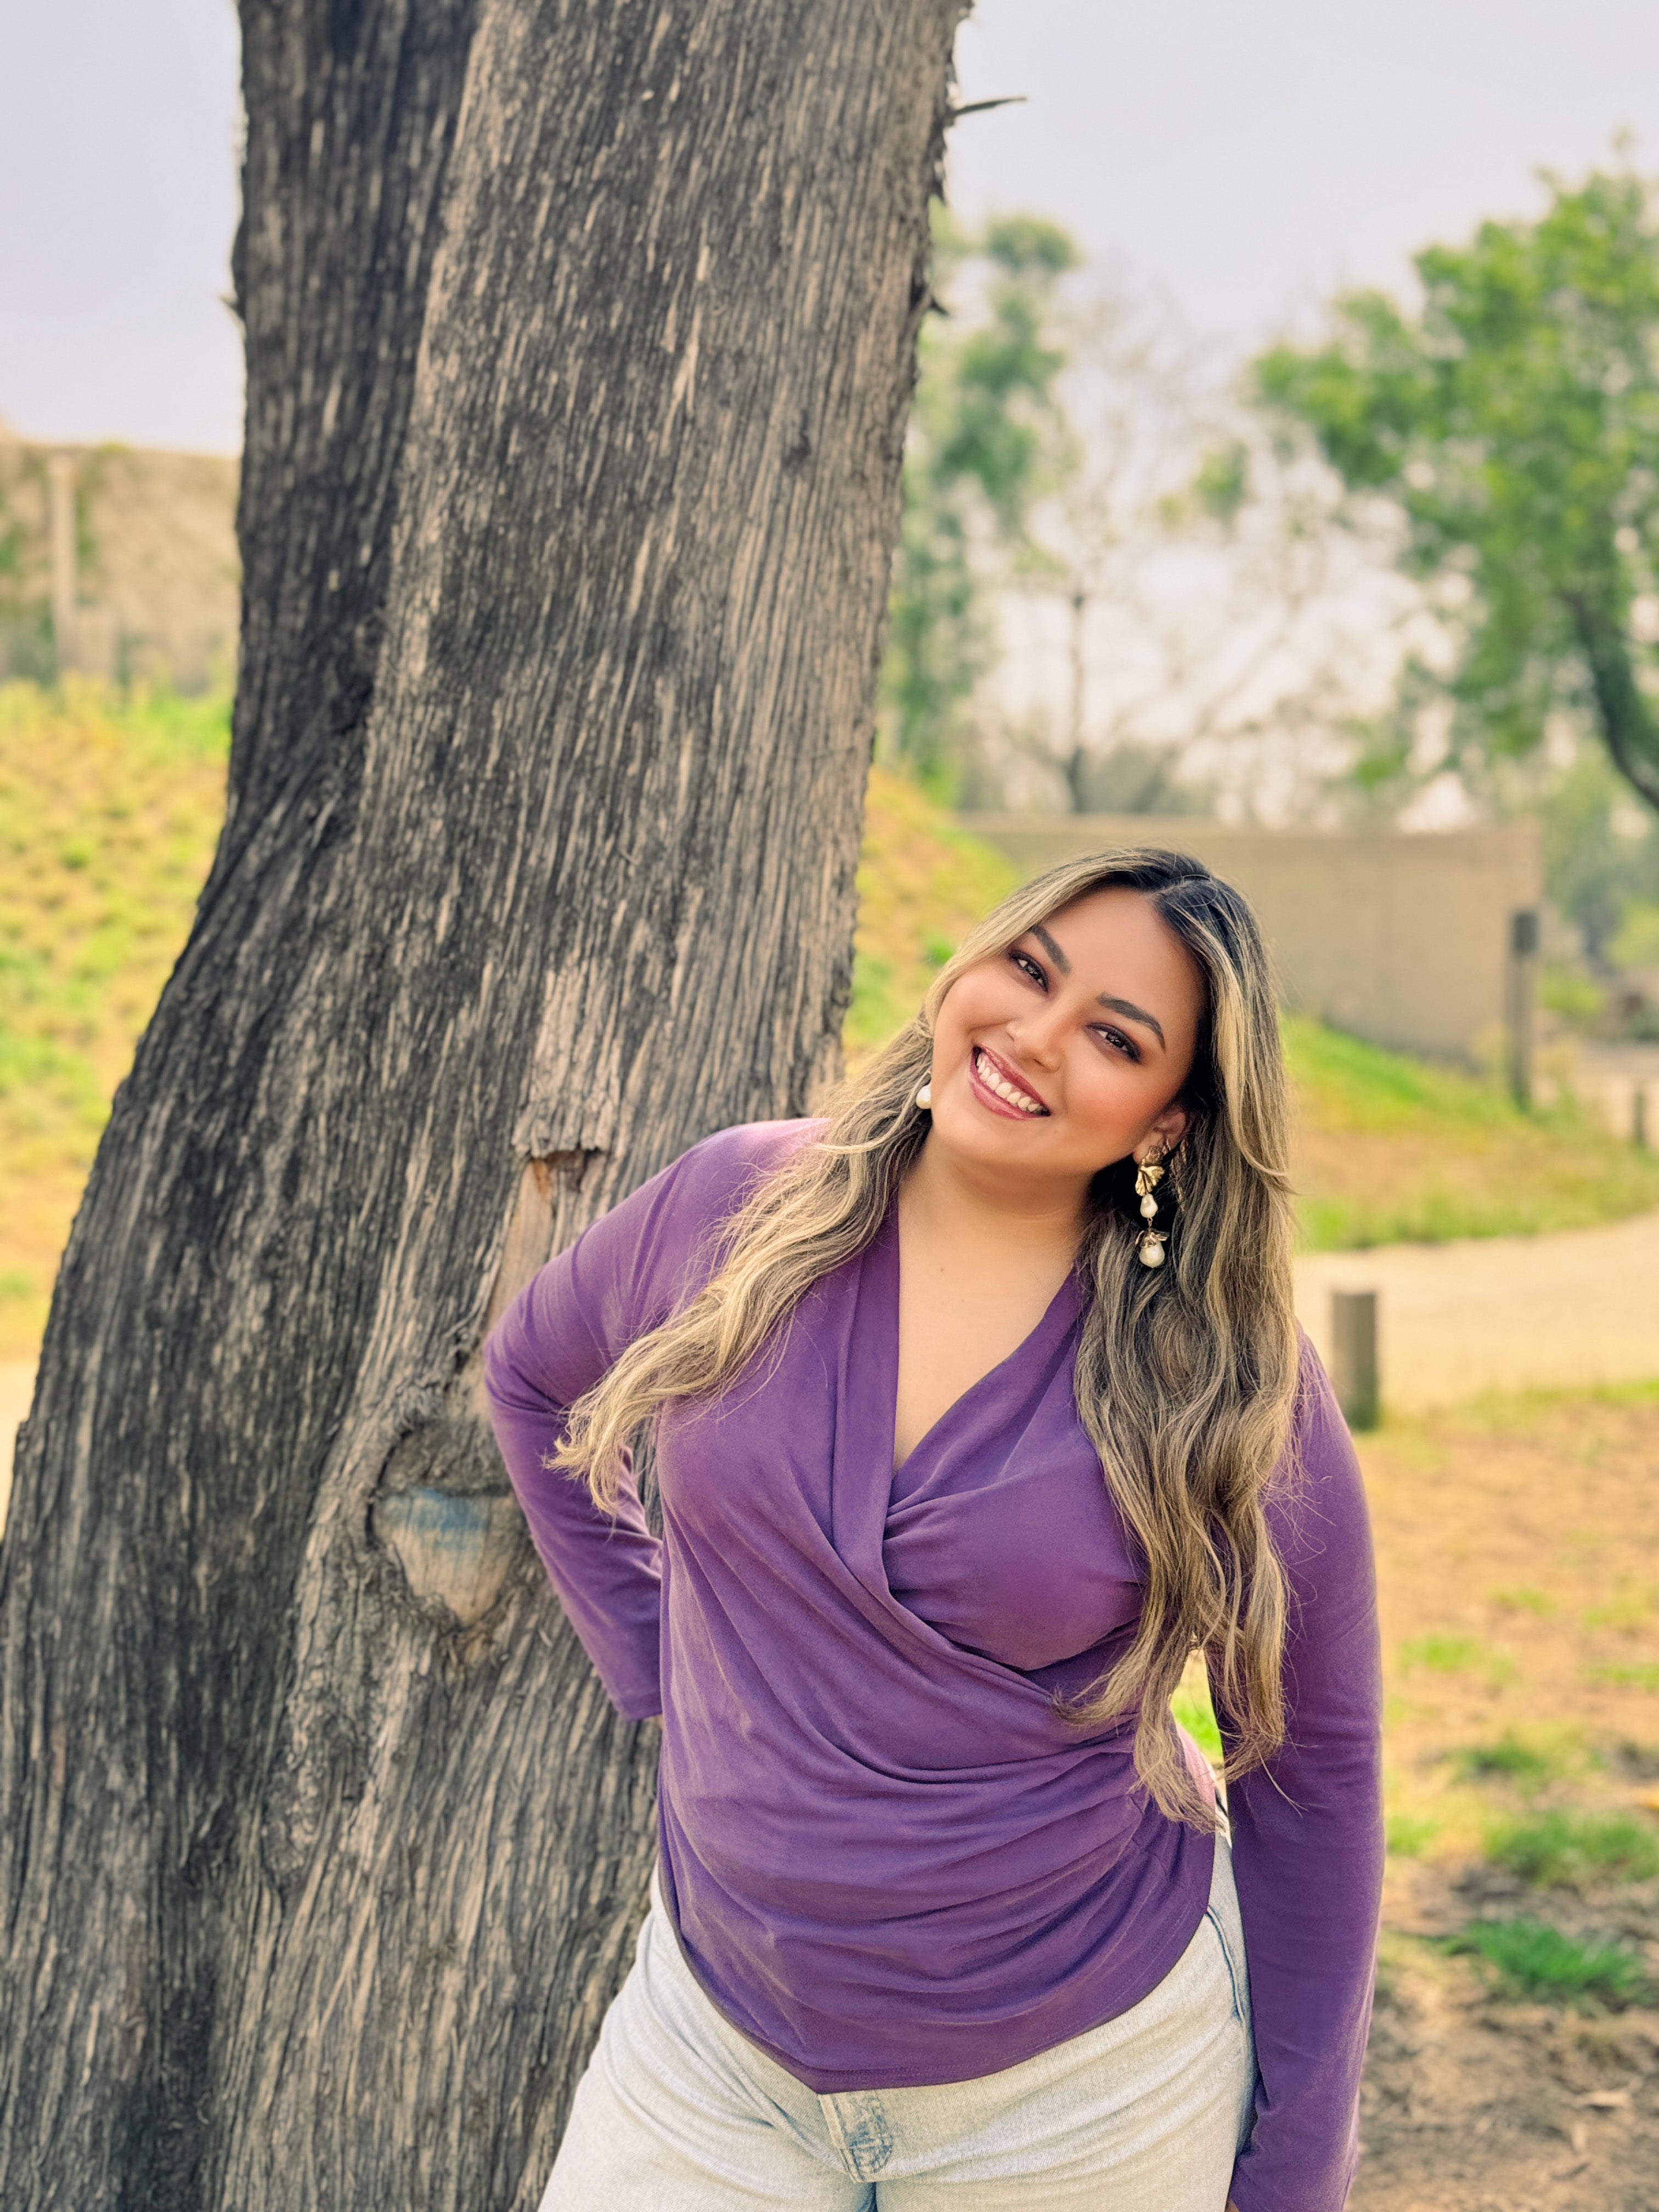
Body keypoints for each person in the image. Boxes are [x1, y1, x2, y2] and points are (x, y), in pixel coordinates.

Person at [485, 848, 1383, 2212]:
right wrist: (652, 1653)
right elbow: (531, 1377)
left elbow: (1314, 1765)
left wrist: (1299, 2172)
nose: (1035, 1035)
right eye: (1029, 968)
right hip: (712, 2055)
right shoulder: (737, 1205)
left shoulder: (1223, 1378)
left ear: (1166, 1125)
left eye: (1115, 1037)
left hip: (1082, 2096)